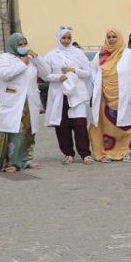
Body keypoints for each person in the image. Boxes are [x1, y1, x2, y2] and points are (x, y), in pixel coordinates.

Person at [0, 32, 44, 173]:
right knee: (15, 131)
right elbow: (4, 74)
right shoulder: (4, 58)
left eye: (25, 44)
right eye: (20, 44)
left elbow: (46, 72)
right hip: (14, 100)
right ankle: (10, 162)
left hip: (30, 99)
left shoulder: (30, 58)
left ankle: (26, 160)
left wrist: (36, 57)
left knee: (28, 130)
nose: (23, 47)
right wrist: (22, 64)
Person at [88, 28, 131, 163]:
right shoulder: (101, 54)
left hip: (124, 95)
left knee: (125, 126)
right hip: (105, 97)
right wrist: (97, 81)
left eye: (114, 37)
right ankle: (106, 153)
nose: (112, 39)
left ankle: (125, 151)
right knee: (106, 126)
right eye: (109, 37)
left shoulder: (129, 54)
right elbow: (92, 69)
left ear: (119, 38)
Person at [42, 26, 94, 164]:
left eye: (68, 38)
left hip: (76, 94)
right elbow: (44, 74)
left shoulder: (78, 53)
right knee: (63, 125)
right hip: (60, 94)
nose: (66, 41)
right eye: (63, 38)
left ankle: (85, 153)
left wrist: (74, 70)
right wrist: (58, 77)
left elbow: (88, 72)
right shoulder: (51, 55)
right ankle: (68, 153)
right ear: (58, 38)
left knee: (80, 124)